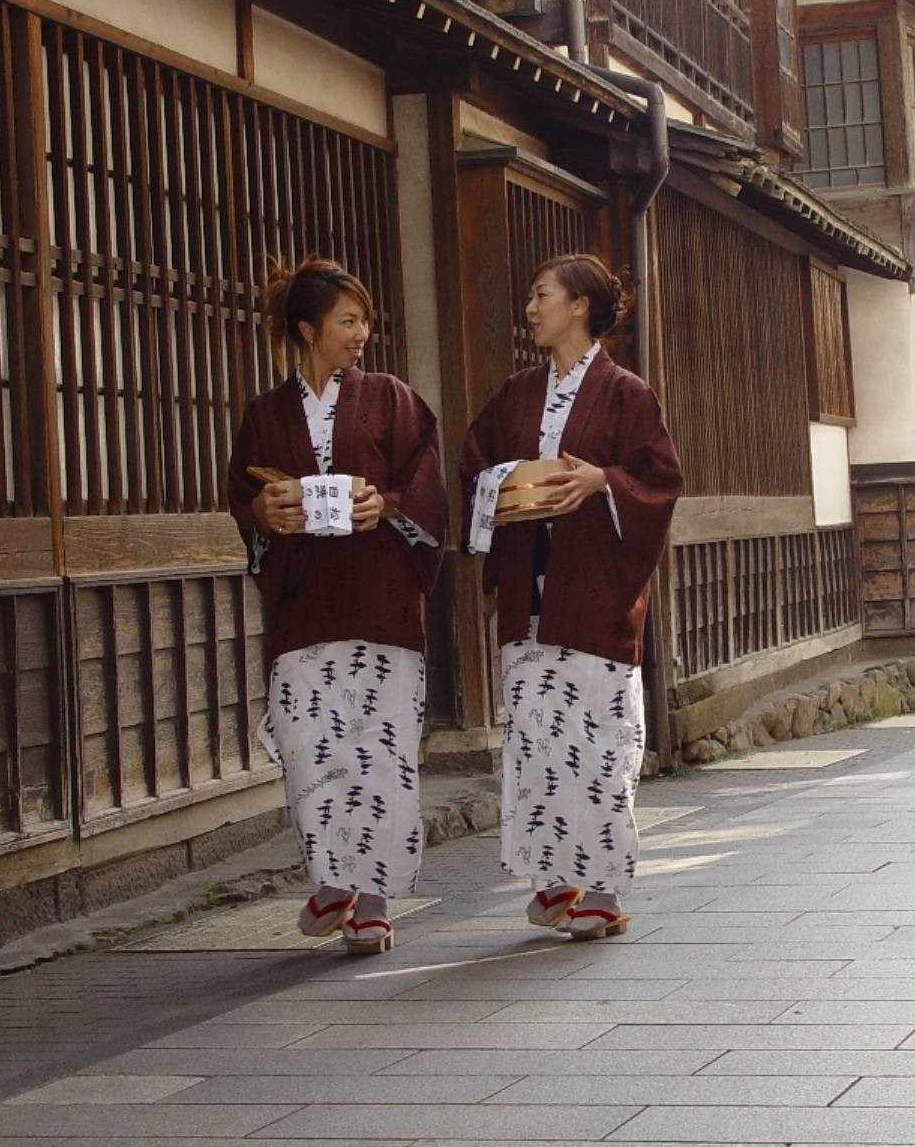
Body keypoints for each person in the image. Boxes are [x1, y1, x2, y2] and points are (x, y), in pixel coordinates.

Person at [460, 254, 683, 940]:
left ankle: (606, 887)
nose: (531, 308)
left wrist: (602, 483)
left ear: (581, 306)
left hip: (593, 591)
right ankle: (557, 877)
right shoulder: (519, 392)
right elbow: (474, 460)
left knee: (599, 741)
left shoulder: (627, 393)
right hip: (531, 586)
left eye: (542, 296)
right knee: (536, 738)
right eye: (530, 296)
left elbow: (661, 481)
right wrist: (506, 482)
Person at [227, 258, 445, 954]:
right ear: (307, 329)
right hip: (306, 604)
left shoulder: (393, 400)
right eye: (348, 321)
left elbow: (426, 484)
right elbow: (244, 497)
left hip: (380, 597)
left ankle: (372, 899)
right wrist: (262, 511)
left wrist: (387, 503)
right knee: (310, 745)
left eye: (365, 321)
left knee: (379, 749)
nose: (361, 334)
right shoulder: (265, 415)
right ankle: (331, 878)